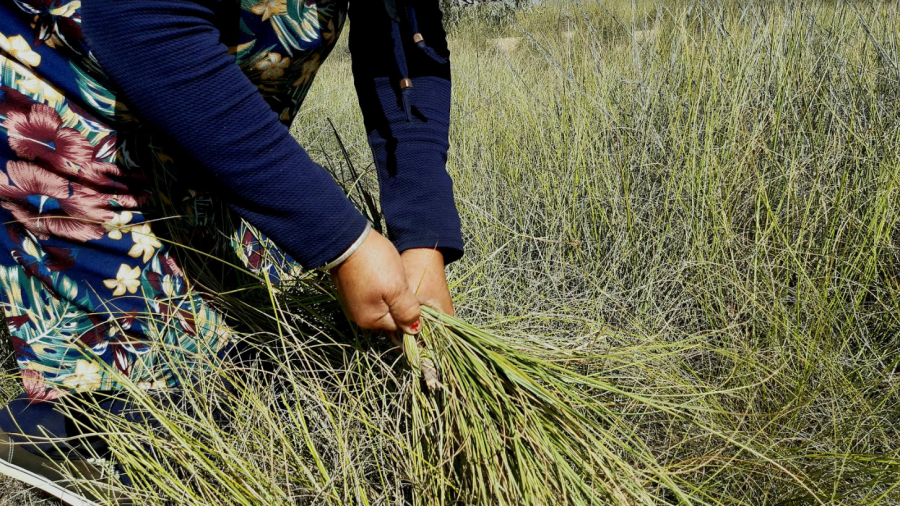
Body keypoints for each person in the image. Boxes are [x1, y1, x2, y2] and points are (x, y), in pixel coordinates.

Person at [0, 0, 463, 503]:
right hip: (71, 89)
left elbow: (404, 51)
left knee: (257, 353)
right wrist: (345, 246)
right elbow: (142, 23)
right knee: (167, 409)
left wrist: (422, 239)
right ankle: (48, 438)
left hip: (198, 118)